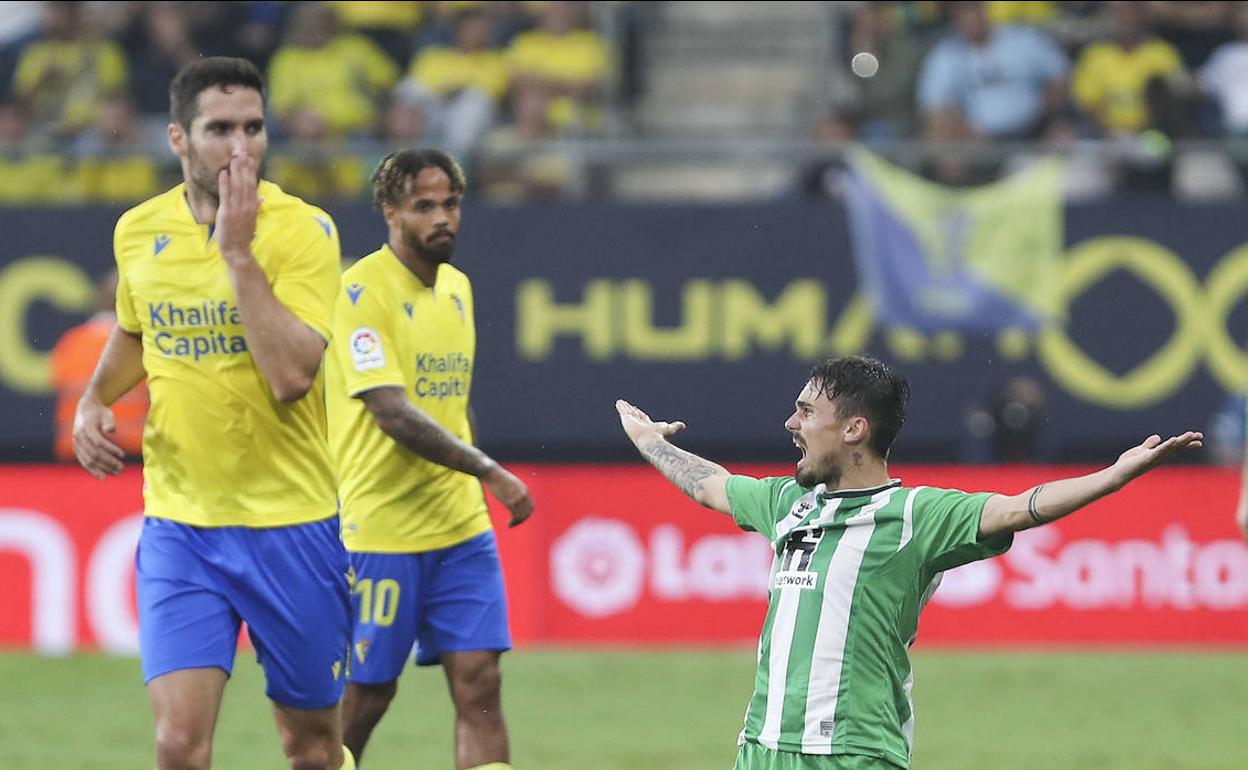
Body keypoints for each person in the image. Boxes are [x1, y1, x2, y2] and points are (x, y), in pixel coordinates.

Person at [616, 355, 1202, 770]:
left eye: (805, 411)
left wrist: (1114, 475)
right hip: (762, 747)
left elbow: (1019, 509)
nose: (792, 424)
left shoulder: (917, 514)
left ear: (853, 429)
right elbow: (711, 486)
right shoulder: (788, 504)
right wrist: (651, 443)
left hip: (855, 751)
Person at [71, 57, 355, 770]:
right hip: (183, 527)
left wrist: (237, 254)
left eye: (254, 128)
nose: (241, 146)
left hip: (292, 527)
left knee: (313, 747)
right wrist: (92, 400)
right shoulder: (139, 231)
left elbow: (292, 376)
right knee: (176, 746)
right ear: (178, 139)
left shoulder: (303, 232)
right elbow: (139, 330)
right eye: (220, 128)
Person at [326, 148, 533, 770]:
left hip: (460, 528)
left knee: (480, 684)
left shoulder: (458, 288)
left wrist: (472, 475)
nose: (442, 217)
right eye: (424, 206)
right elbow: (391, 411)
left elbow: (451, 405)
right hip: (381, 527)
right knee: (368, 694)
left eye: (449, 204)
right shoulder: (362, 292)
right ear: (389, 211)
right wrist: (487, 469)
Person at [50, 269, 147, 461]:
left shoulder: (72, 341)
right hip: (131, 453)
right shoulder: (142, 344)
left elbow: (57, 383)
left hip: (77, 451)